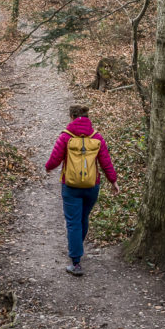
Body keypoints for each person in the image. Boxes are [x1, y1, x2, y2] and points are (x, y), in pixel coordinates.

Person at [44, 105, 119, 276]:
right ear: (87, 118)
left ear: (71, 117)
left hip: (70, 186)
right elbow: (106, 162)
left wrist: (48, 168)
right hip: (92, 186)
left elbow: (54, 159)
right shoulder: (97, 138)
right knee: (83, 217)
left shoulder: (65, 137)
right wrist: (113, 181)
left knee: (73, 222)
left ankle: (76, 262)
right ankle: (77, 244)